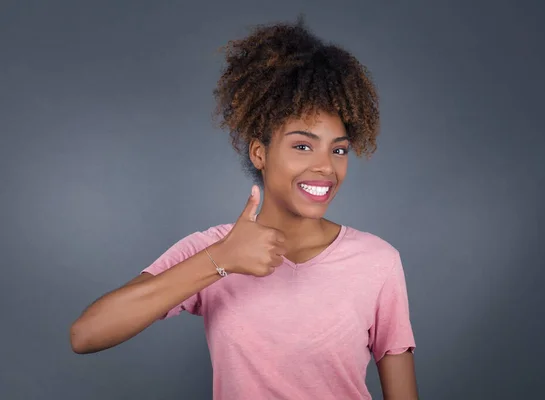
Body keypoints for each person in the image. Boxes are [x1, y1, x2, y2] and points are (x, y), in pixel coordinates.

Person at [70, 17, 418, 400]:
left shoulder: (378, 262)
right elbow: (87, 334)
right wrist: (221, 259)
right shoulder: (213, 247)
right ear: (259, 152)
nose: (325, 166)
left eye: (338, 150)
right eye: (302, 145)